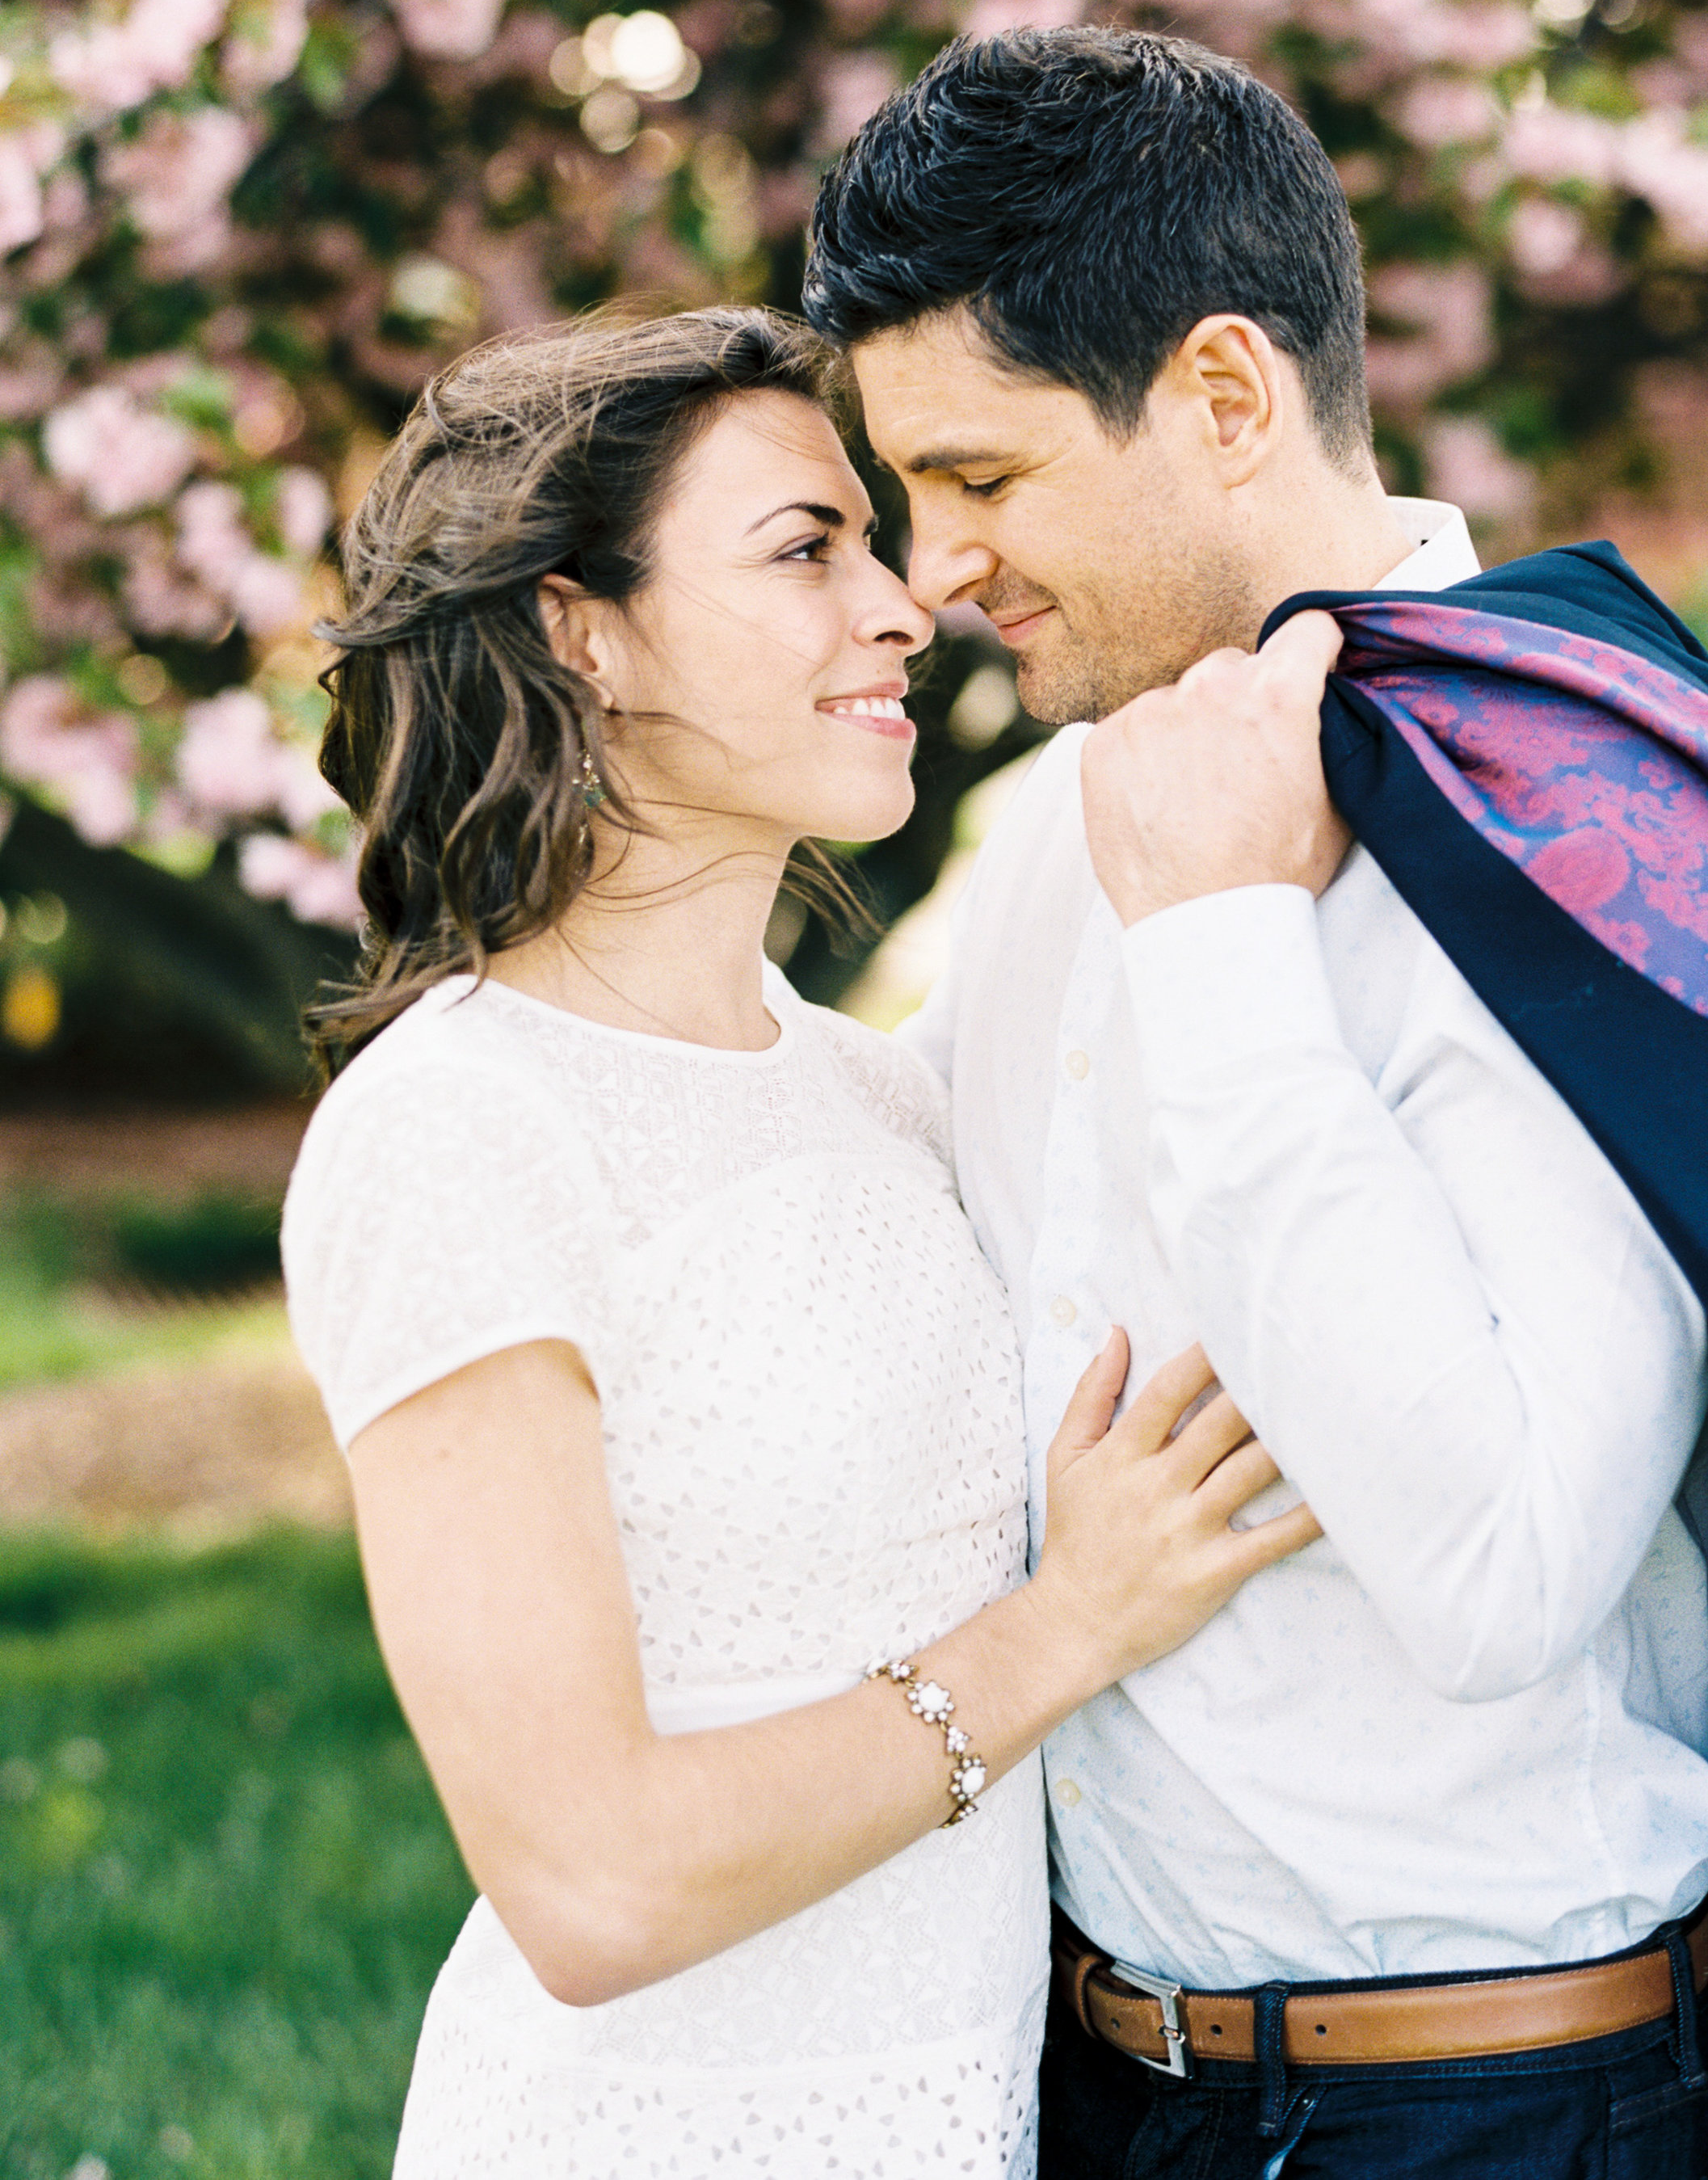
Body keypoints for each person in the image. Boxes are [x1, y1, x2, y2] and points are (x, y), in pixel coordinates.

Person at [801, 26, 1708, 2180]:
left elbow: (1499, 1571)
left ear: (1222, 396)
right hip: (1084, 2081)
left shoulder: (1569, 831)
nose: (930, 565)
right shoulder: (1045, 834)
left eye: (980, 479)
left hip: (1496, 2111)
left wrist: (1217, 951)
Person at [280, 301, 1317, 2179]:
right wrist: (1060, 1628)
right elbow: (589, 1879)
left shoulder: (883, 1094)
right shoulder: (455, 1131)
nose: (905, 603)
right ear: (577, 629)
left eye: (875, 535)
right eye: (802, 549)